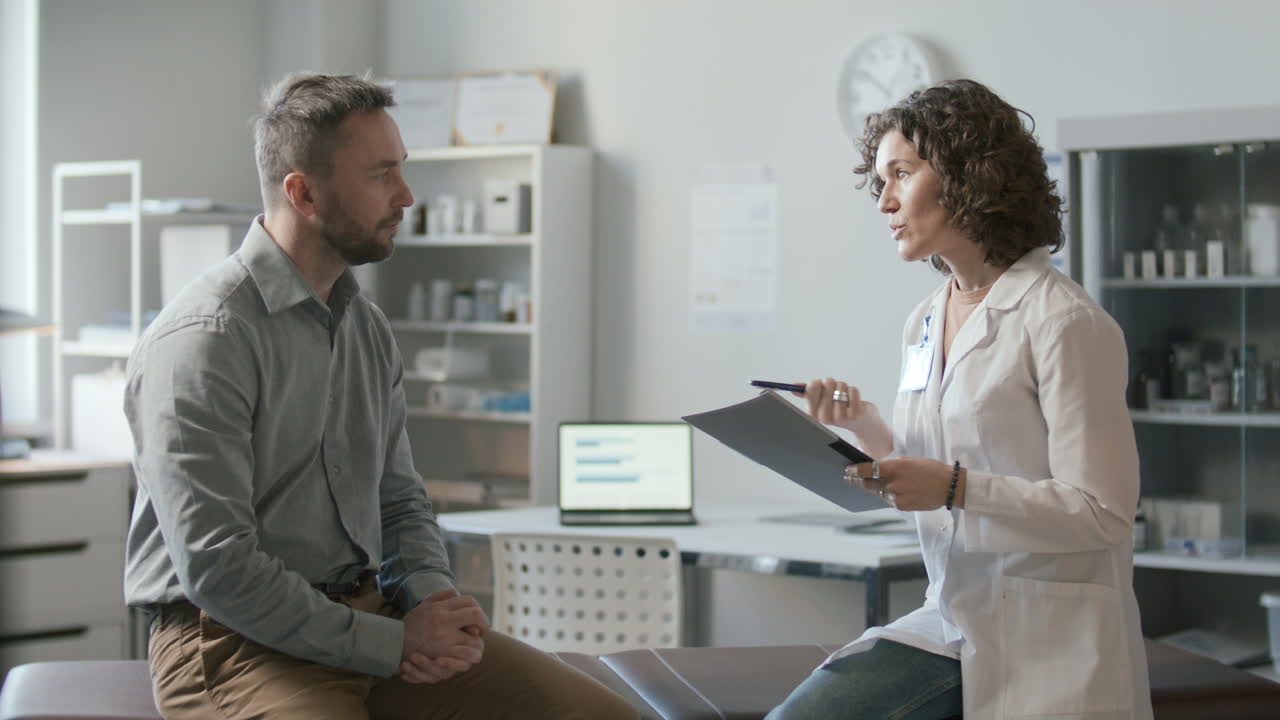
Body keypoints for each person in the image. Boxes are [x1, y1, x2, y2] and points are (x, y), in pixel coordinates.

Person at [123, 73, 639, 720]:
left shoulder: (363, 326)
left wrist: (432, 604)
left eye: (402, 169)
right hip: (235, 640)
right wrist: (392, 644)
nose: (406, 195)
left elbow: (399, 501)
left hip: (369, 612)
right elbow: (220, 569)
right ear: (303, 193)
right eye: (381, 174)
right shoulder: (205, 340)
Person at [767, 79, 1152, 720]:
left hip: (1050, 635)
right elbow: (937, 471)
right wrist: (865, 428)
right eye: (880, 181)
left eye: (901, 174)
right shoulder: (924, 320)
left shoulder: (1065, 322)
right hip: (950, 616)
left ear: (968, 174)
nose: (885, 201)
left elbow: (1103, 513)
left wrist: (955, 487)